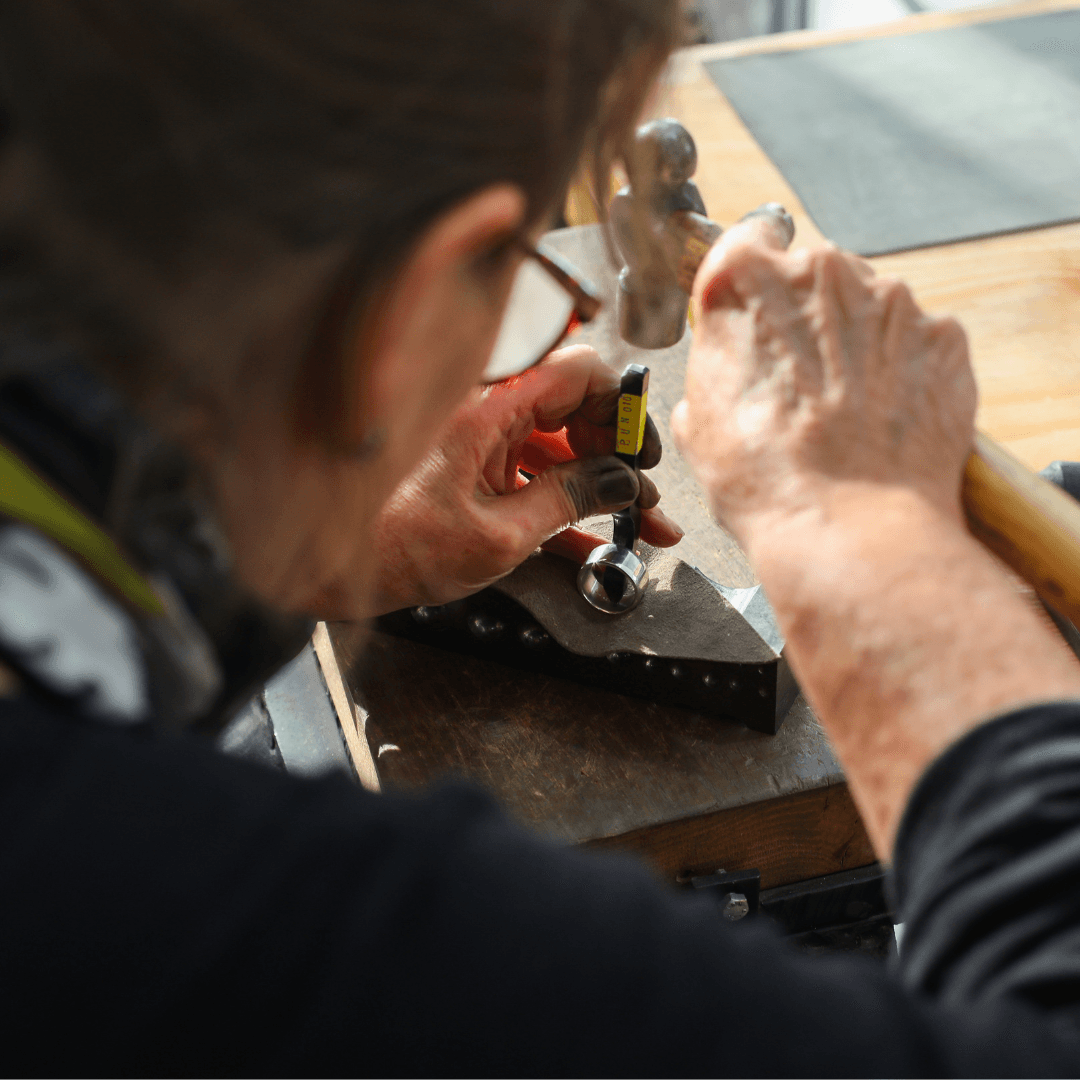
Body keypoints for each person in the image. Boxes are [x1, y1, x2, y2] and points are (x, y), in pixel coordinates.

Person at [1, 2, 1080, 1075]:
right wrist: (870, 535)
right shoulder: (323, 945)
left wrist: (281, 534)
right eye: (527, 282)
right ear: (406, 304)